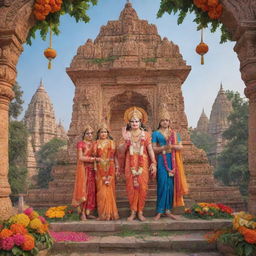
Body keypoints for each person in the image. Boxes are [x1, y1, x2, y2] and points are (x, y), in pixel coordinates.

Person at [118, 106, 157, 221]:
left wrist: (154, 163)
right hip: (129, 162)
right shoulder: (126, 134)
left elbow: (150, 150)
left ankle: (140, 211)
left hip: (143, 162)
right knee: (131, 187)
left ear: (141, 122)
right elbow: (120, 151)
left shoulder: (146, 135)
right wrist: (126, 141)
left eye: (137, 121)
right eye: (132, 121)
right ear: (129, 123)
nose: (134, 123)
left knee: (142, 187)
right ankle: (133, 212)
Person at [152, 106, 188, 220]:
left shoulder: (174, 134)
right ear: (159, 122)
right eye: (162, 120)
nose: (165, 122)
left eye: (167, 120)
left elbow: (181, 147)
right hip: (162, 160)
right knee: (162, 184)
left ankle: (168, 210)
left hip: (173, 161)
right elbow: (153, 149)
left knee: (170, 186)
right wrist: (164, 147)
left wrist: (171, 146)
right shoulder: (156, 134)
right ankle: (159, 211)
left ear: (169, 122)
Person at [94, 124, 119, 221]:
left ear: (108, 133)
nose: (103, 134)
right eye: (101, 132)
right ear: (99, 134)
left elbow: (115, 156)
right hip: (100, 168)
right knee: (101, 191)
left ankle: (110, 214)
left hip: (110, 167)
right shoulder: (95, 143)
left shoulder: (112, 142)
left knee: (109, 190)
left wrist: (117, 167)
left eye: (105, 132)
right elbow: (95, 157)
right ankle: (102, 214)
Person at [72, 125, 97, 221]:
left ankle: (88, 212)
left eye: (91, 133)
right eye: (88, 133)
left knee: (91, 191)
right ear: (84, 135)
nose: (90, 135)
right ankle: (82, 213)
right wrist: (94, 159)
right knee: (84, 191)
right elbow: (80, 158)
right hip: (84, 170)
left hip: (93, 170)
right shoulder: (81, 144)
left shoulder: (94, 144)